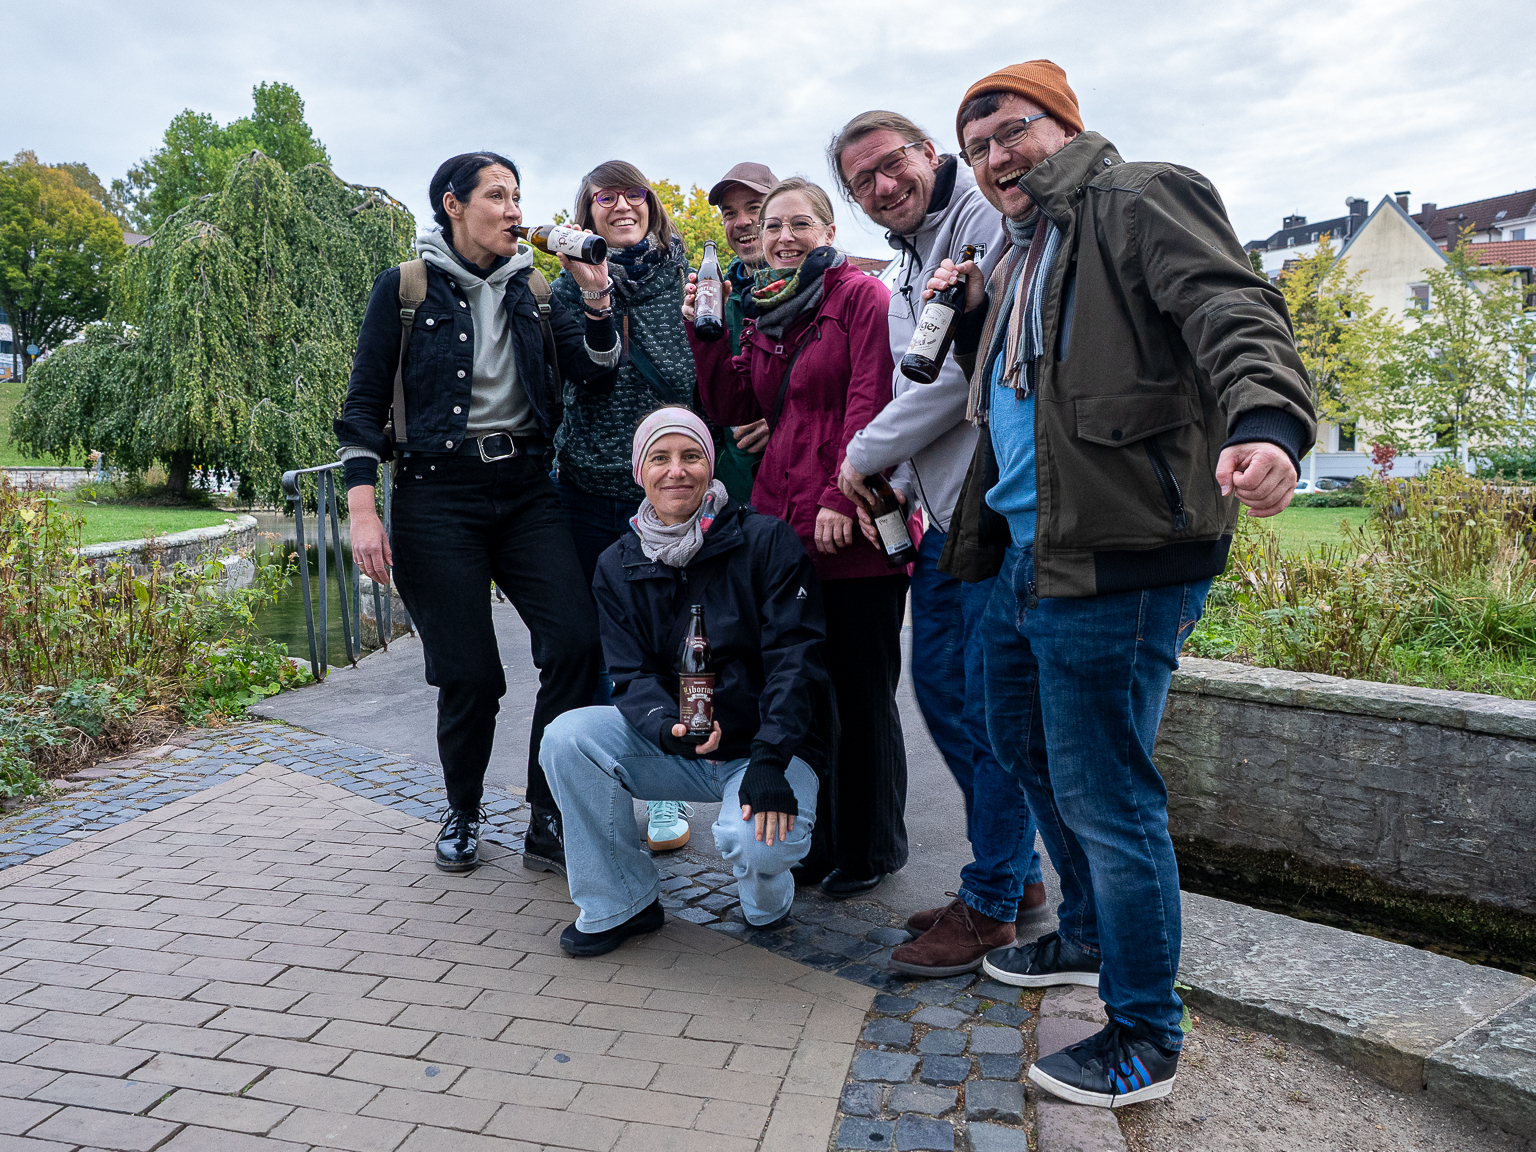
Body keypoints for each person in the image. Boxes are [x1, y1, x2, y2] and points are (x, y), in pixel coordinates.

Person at [927, 62, 1314, 1107]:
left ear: (1068, 128)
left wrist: (1268, 425)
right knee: (1021, 745)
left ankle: (1144, 1034)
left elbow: (1235, 311)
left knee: (1109, 795)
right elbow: (1035, 397)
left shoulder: (1138, 197)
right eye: (978, 149)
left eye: (1013, 133)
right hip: (1028, 554)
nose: (997, 159)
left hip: (1124, 559)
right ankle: (1090, 934)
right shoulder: (1021, 255)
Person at [337, 151, 619, 877]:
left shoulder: (534, 285)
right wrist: (363, 508)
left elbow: (590, 372)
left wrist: (592, 298)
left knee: (575, 644)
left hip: (527, 490)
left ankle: (546, 810)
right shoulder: (405, 287)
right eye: (498, 194)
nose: (515, 208)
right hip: (437, 494)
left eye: (519, 194)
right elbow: (364, 403)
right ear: (453, 205)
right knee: (469, 675)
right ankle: (462, 810)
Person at [826, 110, 1047, 978]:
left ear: (930, 154)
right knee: (948, 694)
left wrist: (863, 453)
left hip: (995, 513)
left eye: (892, 164)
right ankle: (1012, 877)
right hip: (947, 513)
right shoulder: (916, 251)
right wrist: (904, 482)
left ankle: (993, 901)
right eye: (864, 182)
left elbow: (963, 369)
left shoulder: (984, 223)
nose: (883, 187)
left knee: (987, 706)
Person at [540, 407, 829, 956]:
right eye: (661, 458)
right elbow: (629, 674)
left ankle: (768, 891)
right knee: (566, 738)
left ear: (710, 465)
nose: (677, 471)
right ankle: (619, 901)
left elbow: (797, 659)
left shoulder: (766, 542)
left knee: (758, 847)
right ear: (639, 473)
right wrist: (669, 727)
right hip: (679, 743)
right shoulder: (616, 563)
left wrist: (769, 757)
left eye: (691, 456)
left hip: (765, 749)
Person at [686, 178, 905, 899]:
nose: (783, 236)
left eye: (799, 223)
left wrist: (845, 493)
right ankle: (818, 839)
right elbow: (731, 405)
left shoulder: (857, 298)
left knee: (861, 692)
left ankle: (870, 847)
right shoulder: (768, 308)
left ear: (828, 226)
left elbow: (871, 402)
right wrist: (708, 336)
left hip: (851, 522)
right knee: (805, 691)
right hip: (784, 529)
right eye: (773, 225)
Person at [550, 159, 699, 853]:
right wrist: (597, 297)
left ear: (649, 203)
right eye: (603, 197)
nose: (620, 206)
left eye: (630, 194)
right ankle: (602, 786)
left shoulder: (682, 279)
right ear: (587, 213)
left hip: (666, 493)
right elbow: (589, 371)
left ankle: (668, 792)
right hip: (587, 489)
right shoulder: (564, 285)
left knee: (671, 645)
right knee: (596, 651)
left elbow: (680, 375)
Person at [704, 162, 779, 503]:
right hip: (735, 496)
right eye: (730, 212)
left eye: (755, 208)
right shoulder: (717, 296)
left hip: (804, 488)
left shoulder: (825, 287)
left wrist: (782, 420)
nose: (743, 221)